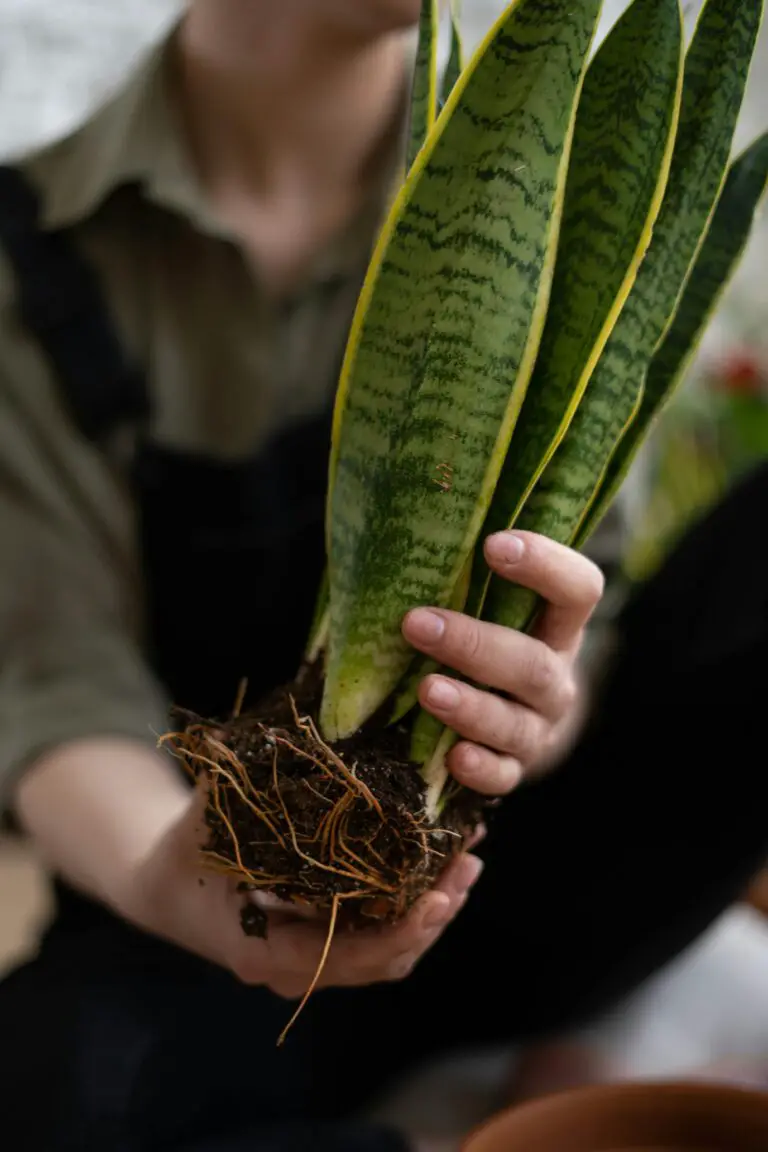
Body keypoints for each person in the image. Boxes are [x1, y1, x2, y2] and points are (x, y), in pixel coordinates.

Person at [0, 2, 765, 1150]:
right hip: (216, 909)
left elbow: (584, 611)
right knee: (44, 1086)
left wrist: (531, 713)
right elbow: (52, 680)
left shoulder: (552, 173)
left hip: (529, 873)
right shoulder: (27, 249)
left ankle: (582, 1050)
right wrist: (192, 887)